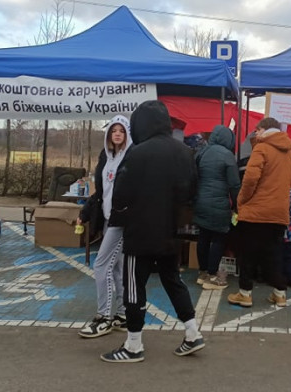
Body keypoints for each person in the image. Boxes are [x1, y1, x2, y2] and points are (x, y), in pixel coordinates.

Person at [100, 101, 202, 363]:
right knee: (173, 280)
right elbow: (191, 190)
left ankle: (134, 345)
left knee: (134, 287)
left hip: (140, 232)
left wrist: (118, 219)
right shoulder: (185, 152)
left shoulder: (137, 153)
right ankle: (193, 332)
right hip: (171, 230)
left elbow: (122, 193)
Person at [227, 117, 291, 308]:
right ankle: (280, 294)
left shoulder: (261, 148)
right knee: (274, 254)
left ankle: (245, 293)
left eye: (257, 130)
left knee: (248, 253)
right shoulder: (289, 152)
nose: (255, 133)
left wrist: (241, 200)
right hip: (279, 212)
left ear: (264, 130)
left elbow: (250, 179)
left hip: (257, 211)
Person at [77, 115, 133, 338]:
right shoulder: (106, 156)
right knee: (116, 268)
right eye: (113, 130)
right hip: (108, 218)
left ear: (127, 134)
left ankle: (104, 317)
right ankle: (122, 314)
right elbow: (101, 192)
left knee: (101, 266)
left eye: (121, 130)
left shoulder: (131, 157)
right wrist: (85, 212)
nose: (117, 134)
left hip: (121, 221)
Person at [193, 125, 241, 290]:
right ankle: (212, 276)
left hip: (200, 201)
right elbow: (234, 185)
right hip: (219, 203)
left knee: (203, 237)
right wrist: (237, 205)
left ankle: (202, 273)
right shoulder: (227, 156)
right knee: (219, 237)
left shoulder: (202, 152)